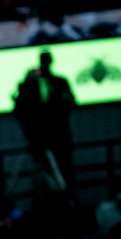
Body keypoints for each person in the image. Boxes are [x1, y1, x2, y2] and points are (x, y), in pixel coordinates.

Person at [13, 50, 76, 190]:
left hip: (59, 135)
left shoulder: (60, 83)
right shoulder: (29, 86)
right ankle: (46, 197)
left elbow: (71, 104)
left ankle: (66, 196)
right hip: (38, 137)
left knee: (63, 168)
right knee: (42, 170)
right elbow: (19, 110)